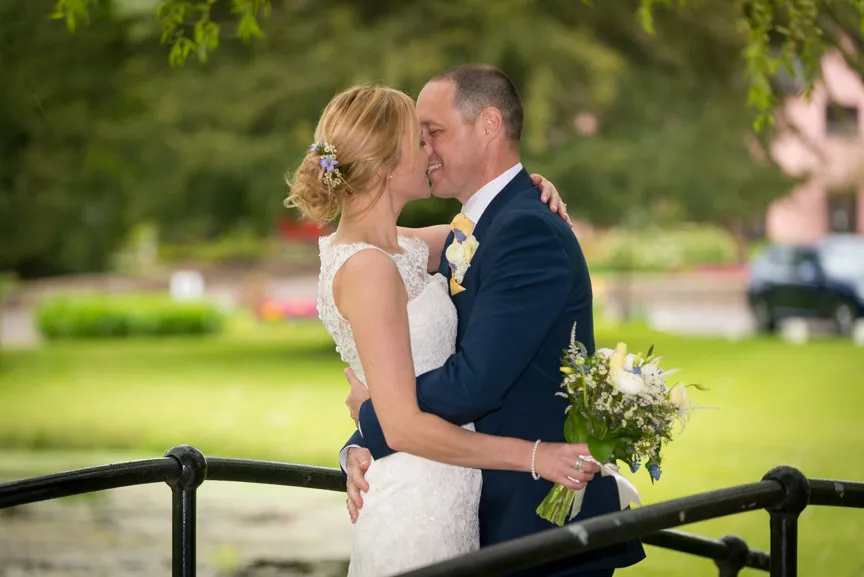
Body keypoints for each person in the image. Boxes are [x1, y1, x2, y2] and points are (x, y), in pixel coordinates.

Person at [285, 83, 601, 577]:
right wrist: (538, 457)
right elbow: (405, 421)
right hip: (417, 501)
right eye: (420, 140)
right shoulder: (369, 268)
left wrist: (532, 188)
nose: (429, 151)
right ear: (387, 163)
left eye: (434, 135)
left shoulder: (405, 247)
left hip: (453, 491)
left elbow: (483, 230)